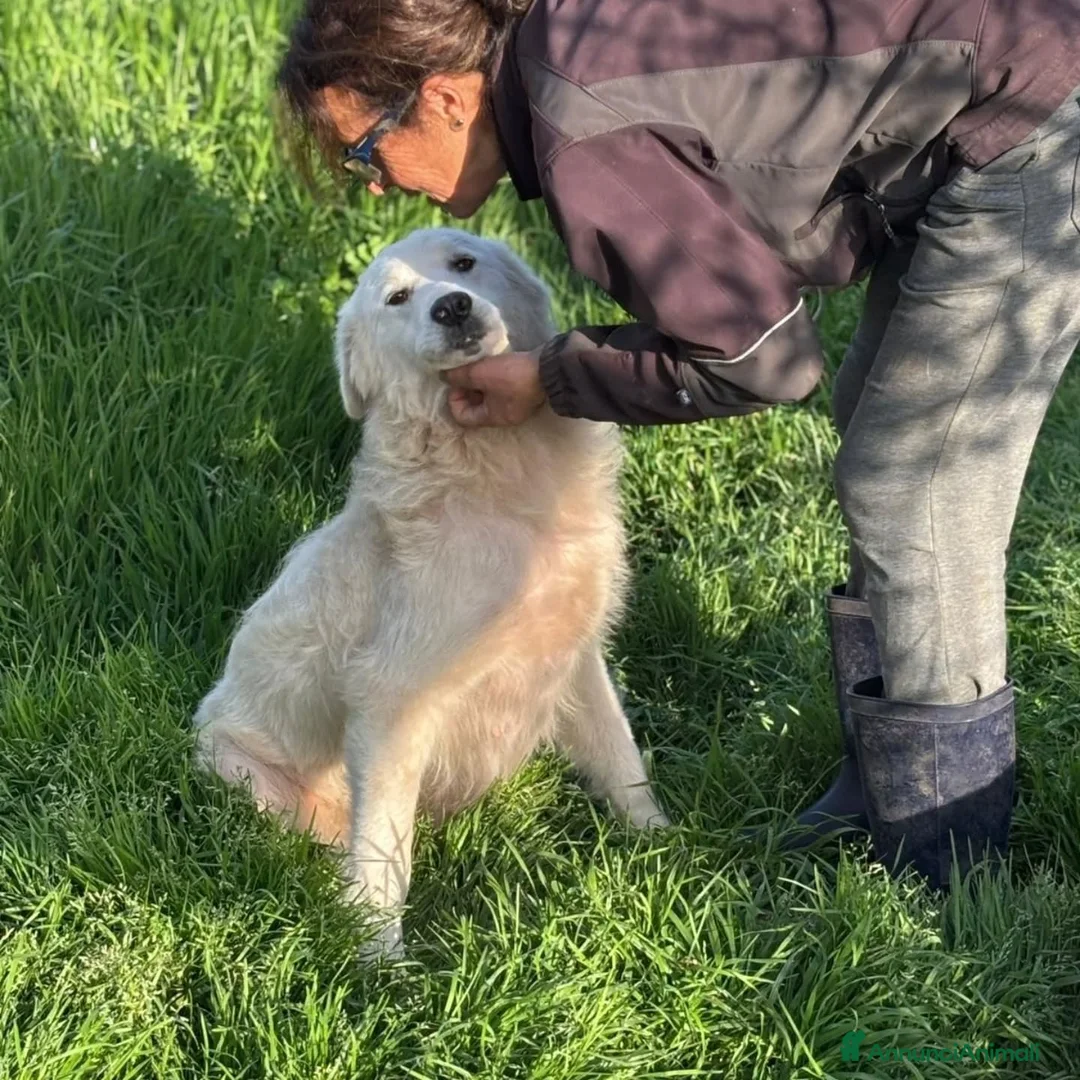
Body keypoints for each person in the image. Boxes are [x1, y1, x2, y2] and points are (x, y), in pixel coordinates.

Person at [277, 0, 1080, 891]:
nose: (375, 182)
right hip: (990, 74)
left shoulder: (584, 139)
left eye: (365, 150)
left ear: (445, 101)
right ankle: (885, 782)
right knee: (876, 421)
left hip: (1032, 113)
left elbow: (765, 360)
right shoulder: (561, 49)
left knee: (912, 486)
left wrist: (552, 376)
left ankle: (946, 860)